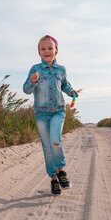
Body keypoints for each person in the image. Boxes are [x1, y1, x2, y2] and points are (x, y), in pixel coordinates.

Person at [23, 35, 78, 196]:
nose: (47, 51)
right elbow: (26, 89)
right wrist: (32, 81)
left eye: (50, 48)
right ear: (39, 52)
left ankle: (61, 170)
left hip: (58, 111)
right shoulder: (35, 69)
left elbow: (65, 85)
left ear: (56, 50)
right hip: (41, 114)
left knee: (55, 141)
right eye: (43, 49)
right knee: (47, 148)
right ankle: (53, 179)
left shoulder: (61, 70)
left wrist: (71, 92)